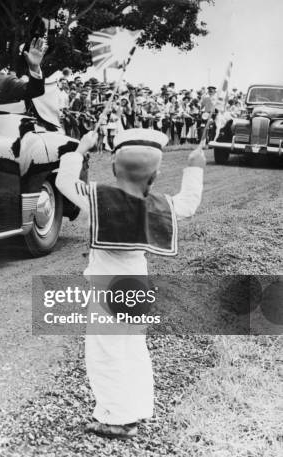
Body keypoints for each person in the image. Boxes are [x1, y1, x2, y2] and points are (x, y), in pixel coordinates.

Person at [55, 128, 205, 439]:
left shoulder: (97, 199)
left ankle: (116, 418)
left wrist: (80, 149)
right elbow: (188, 203)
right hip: (139, 287)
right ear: (156, 175)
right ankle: (136, 408)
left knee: (105, 354)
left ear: (112, 168)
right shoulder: (160, 204)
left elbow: (63, 182)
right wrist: (195, 166)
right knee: (133, 349)